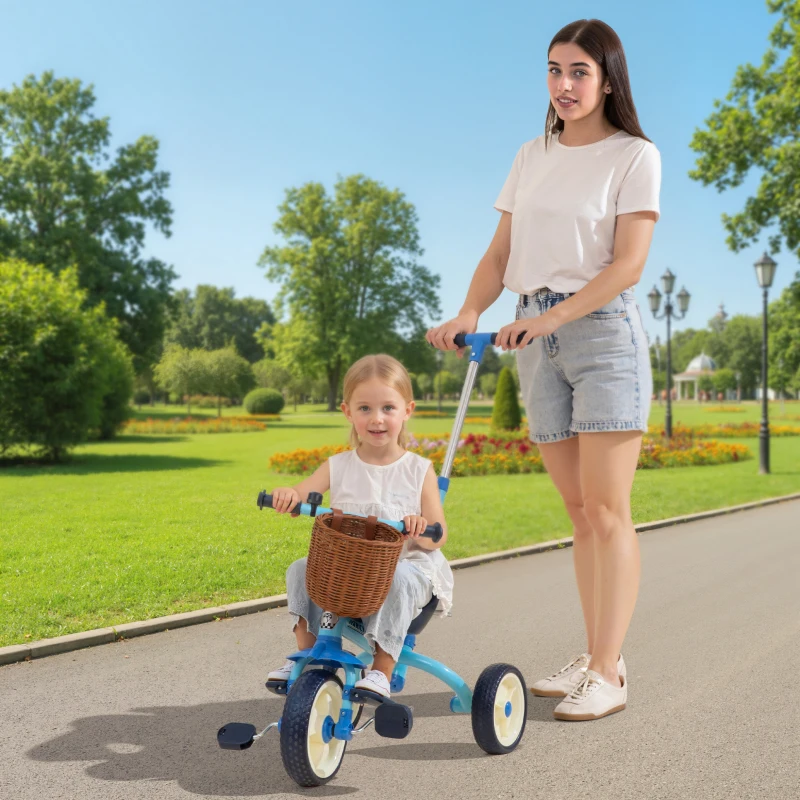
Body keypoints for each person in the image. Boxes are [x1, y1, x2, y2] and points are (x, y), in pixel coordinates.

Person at [427, 18, 660, 721]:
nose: (563, 84)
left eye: (579, 71)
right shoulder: (532, 154)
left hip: (600, 337)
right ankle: (597, 658)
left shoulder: (634, 155)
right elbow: (500, 255)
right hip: (532, 340)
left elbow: (628, 264)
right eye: (554, 70)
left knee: (611, 512)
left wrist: (552, 318)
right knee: (579, 513)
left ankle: (608, 673)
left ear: (608, 78)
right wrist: (470, 311)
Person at [267, 354, 454, 698]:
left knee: (397, 578)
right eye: (365, 408)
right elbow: (302, 492)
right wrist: (287, 495)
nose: (377, 419)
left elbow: (438, 533)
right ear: (347, 411)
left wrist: (420, 527)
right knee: (299, 569)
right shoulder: (338, 466)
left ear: (407, 410)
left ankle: (383, 670)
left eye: (388, 408)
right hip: (349, 575)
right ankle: (310, 656)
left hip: (405, 572)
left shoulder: (418, 469)